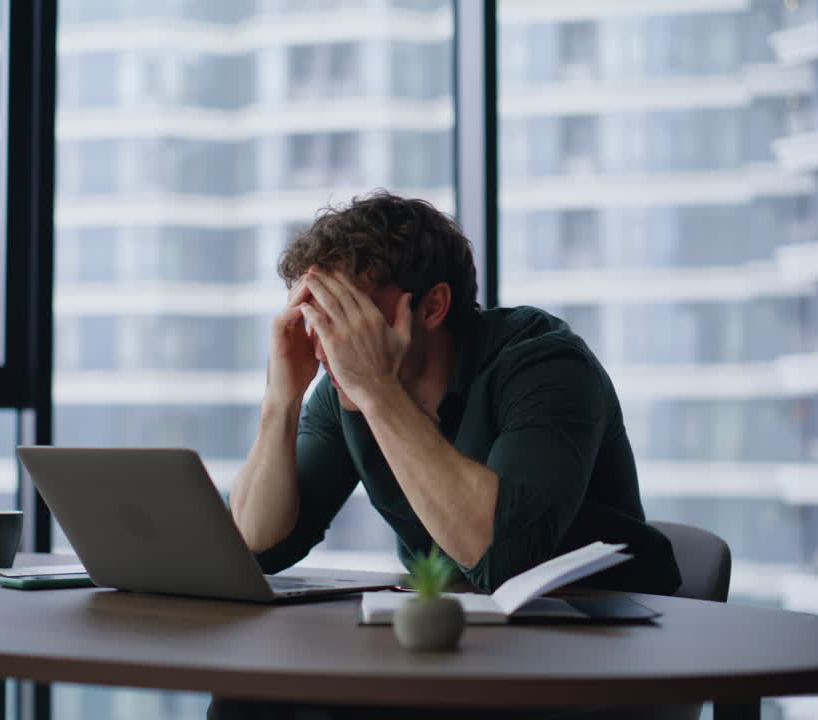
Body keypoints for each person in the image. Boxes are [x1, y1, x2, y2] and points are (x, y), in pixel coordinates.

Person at [215, 190, 681, 719]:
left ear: (432, 306)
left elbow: (502, 556)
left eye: (349, 317)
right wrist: (283, 397)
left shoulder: (546, 365)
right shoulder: (348, 392)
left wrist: (378, 392)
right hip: (453, 646)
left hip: (597, 654)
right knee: (251, 698)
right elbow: (258, 546)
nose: (329, 344)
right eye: (317, 316)